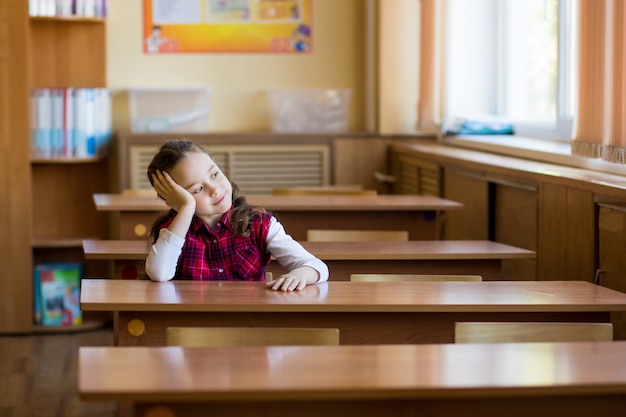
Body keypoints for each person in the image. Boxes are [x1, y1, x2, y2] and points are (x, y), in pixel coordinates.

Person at [144, 139, 328, 291]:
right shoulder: (172, 232)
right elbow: (159, 273)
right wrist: (186, 208)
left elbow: (318, 267)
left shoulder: (259, 224)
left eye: (215, 174)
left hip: (249, 325)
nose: (215, 189)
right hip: (196, 328)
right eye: (197, 189)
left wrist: (301, 273)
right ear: (175, 200)